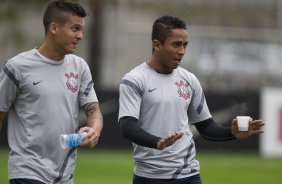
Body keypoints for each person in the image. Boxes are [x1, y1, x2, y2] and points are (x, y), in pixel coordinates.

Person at [118, 15, 264, 184]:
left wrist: (231, 133)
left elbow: (206, 127)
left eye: (185, 45)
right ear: (156, 45)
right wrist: (157, 142)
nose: (182, 51)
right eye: (176, 45)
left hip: (189, 175)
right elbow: (127, 126)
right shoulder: (135, 80)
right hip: (149, 177)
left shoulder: (189, 80)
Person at [0, 1, 103, 184]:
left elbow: (94, 111)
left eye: (81, 30)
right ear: (54, 28)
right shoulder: (17, 67)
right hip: (27, 171)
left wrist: (94, 129)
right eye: (75, 29)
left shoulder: (79, 67)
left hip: (64, 175)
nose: (80, 36)